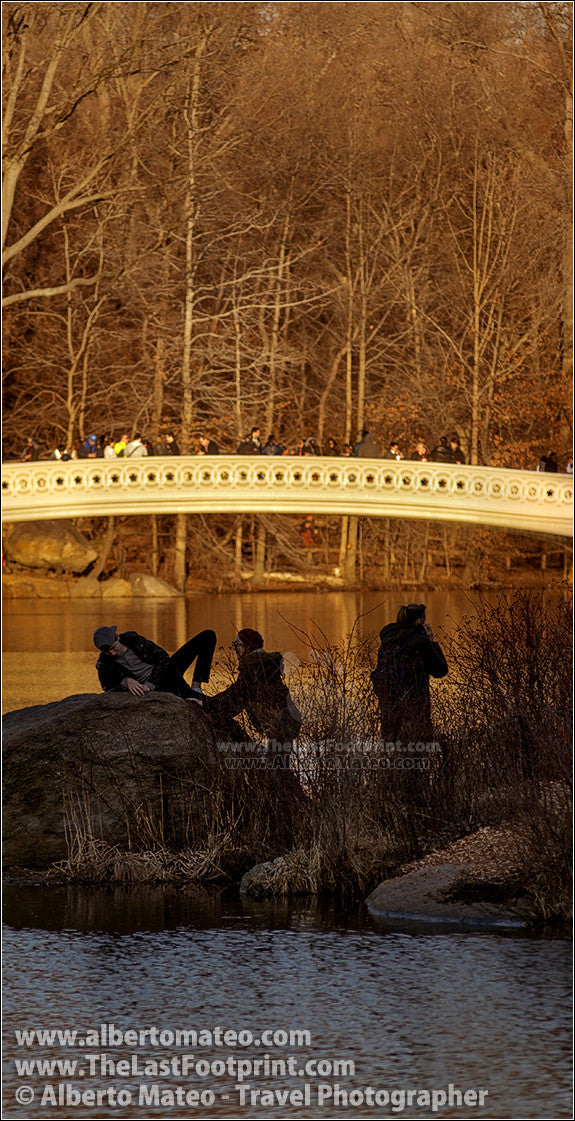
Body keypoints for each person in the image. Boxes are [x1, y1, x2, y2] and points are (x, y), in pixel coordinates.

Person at [205, 628, 301, 750]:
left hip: (280, 724)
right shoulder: (264, 664)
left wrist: (206, 705)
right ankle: (256, 752)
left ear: (248, 646)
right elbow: (237, 694)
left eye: (237, 644)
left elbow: (236, 697)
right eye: (233, 645)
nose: (234, 649)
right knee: (279, 763)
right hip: (288, 722)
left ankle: (254, 751)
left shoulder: (253, 667)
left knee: (276, 763)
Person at [371, 603, 447, 742]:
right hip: (415, 711)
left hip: (389, 711)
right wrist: (431, 641)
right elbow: (440, 670)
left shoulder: (386, 643)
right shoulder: (420, 641)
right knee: (417, 756)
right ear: (419, 621)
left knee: (396, 757)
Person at [93, 624, 216, 700]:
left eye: (113, 648)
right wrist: (127, 681)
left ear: (117, 637)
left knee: (208, 635)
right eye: (107, 652)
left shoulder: (133, 639)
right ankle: (196, 696)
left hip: (166, 670)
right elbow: (107, 686)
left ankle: (196, 686)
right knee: (201, 702)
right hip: (161, 685)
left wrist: (151, 683)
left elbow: (162, 657)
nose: (112, 653)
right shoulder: (104, 663)